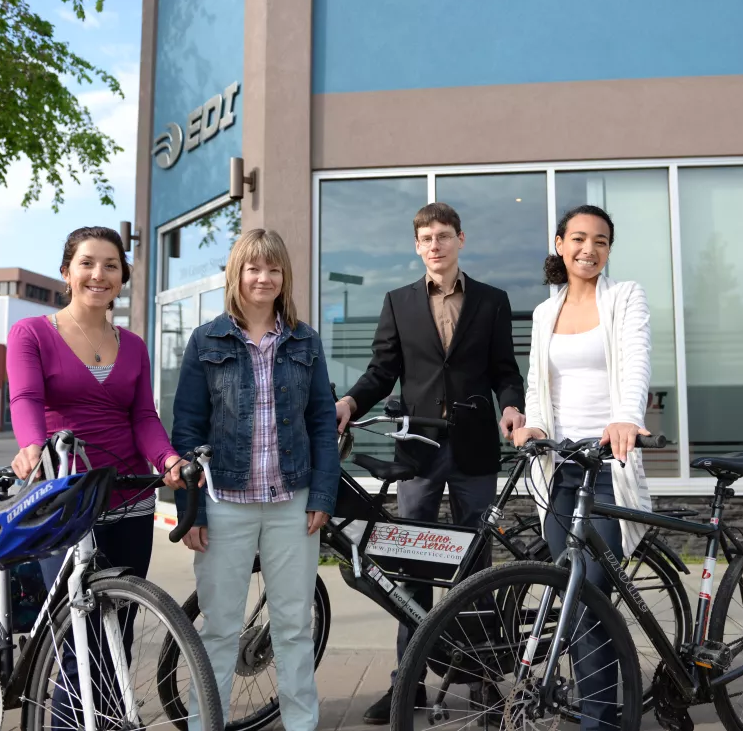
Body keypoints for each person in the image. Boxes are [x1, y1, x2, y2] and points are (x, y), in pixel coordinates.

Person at [335, 202, 526, 724]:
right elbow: (381, 371)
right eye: (426, 238)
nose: (436, 245)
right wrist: (351, 403)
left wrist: (511, 406)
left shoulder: (492, 301)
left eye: (444, 235)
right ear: (417, 246)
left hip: (474, 451)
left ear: (460, 240)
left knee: (475, 565)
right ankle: (410, 682)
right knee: (413, 567)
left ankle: (484, 682)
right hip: (417, 450)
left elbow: (506, 371)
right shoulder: (398, 302)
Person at [6, 225, 187, 725]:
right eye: (87, 263)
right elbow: (25, 399)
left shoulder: (133, 345)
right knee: (76, 639)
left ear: (122, 277)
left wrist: (168, 460)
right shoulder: (32, 334)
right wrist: (30, 446)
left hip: (129, 496)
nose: (98, 274)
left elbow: (143, 418)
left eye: (110, 265)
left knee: (118, 630)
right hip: (64, 495)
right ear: (67, 272)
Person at [170, 228, 341, 731]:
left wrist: (323, 494)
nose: (263, 278)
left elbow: (321, 424)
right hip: (223, 501)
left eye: (273, 269)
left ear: (284, 276)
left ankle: (301, 725)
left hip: (293, 500)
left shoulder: (305, 340)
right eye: (253, 268)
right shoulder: (207, 340)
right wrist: (189, 511)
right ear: (236, 274)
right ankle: (208, 724)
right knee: (220, 628)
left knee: (292, 626)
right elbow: (187, 430)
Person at [512, 204, 654, 730]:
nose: (588, 249)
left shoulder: (625, 297)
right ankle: (596, 707)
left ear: (609, 249)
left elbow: (636, 360)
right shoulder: (545, 312)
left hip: (607, 465)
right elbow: (536, 384)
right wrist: (534, 427)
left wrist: (625, 419)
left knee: (591, 594)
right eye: (577, 239)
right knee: (569, 598)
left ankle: (602, 720)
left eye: (600, 241)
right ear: (559, 243)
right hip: (560, 469)